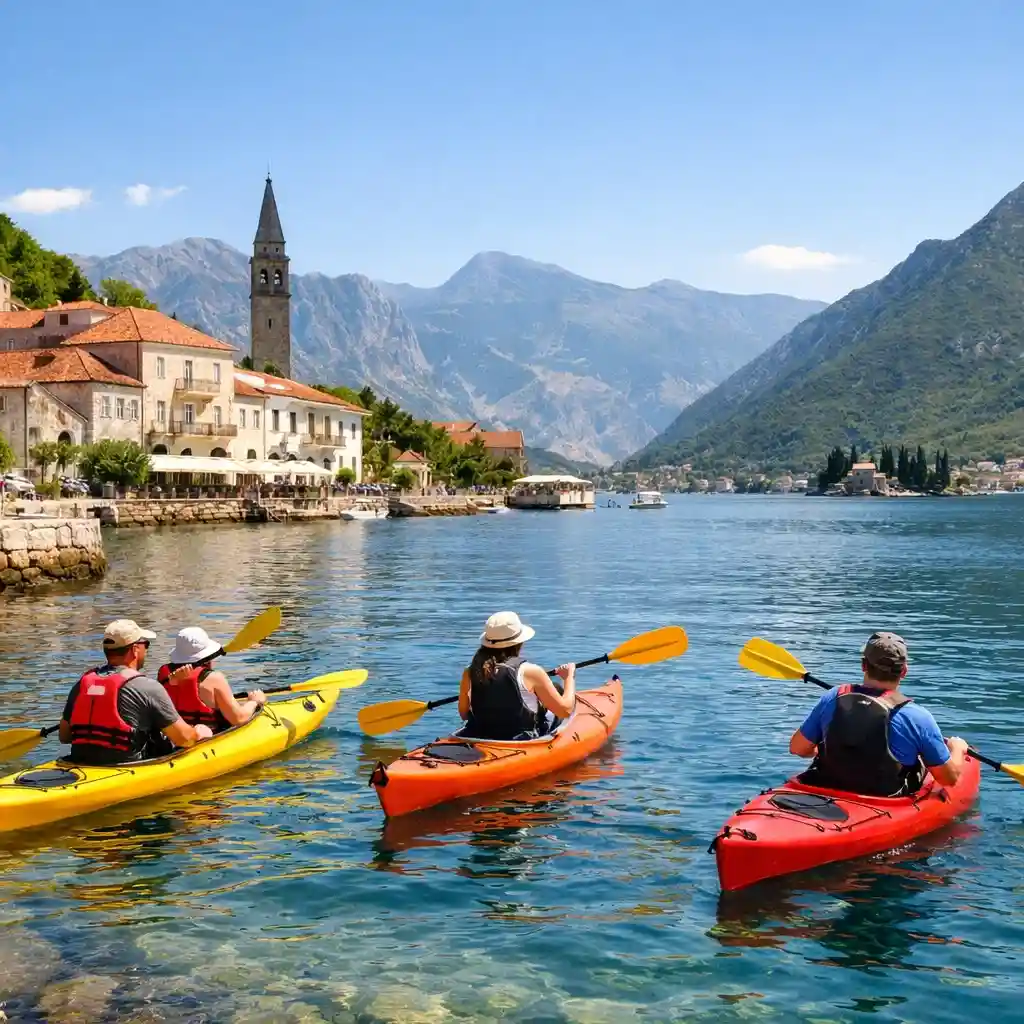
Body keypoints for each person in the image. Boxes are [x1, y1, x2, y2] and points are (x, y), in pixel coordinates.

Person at [789, 631, 969, 797]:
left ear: (863, 665)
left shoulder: (833, 697)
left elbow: (797, 748)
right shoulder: (918, 717)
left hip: (826, 788)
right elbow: (948, 779)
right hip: (882, 800)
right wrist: (957, 748)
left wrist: (834, 748)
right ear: (904, 671)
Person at [59, 620, 213, 765]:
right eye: (146, 644)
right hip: (127, 767)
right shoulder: (147, 687)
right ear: (135, 649)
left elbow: (64, 736)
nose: (146, 649)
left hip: (79, 762)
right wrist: (198, 732)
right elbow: (184, 739)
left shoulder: (83, 683)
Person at [457, 611, 576, 741]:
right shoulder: (531, 672)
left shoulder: (470, 671)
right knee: (563, 701)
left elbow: (464, 714)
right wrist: (569, 677)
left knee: (554, 687)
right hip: (519, 740)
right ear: (519, 643)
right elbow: (565, 710)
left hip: (482, 735)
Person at [158, 627, 266, 732]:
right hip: (209, 736)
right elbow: (238, 719)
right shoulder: (214, 679)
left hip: (177, 736)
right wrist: (254, 701)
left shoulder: (163, 674)